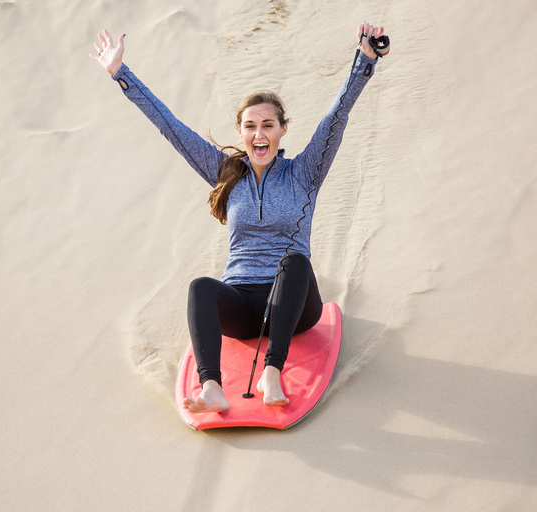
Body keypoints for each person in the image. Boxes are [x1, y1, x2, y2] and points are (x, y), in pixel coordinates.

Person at [90, 22, 383, 413]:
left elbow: (337, 116)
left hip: (294, 307)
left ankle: (272, 371)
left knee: (294, 261)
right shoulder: (226, 172)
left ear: (281, 130)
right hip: (242, 305)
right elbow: (170, 127)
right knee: (200, 287)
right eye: (250, 126)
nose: (259, 134)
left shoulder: (305, 171)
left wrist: (364, 60)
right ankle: (211, 386)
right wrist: (120, 74)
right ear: (241, 132)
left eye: (267, 125)